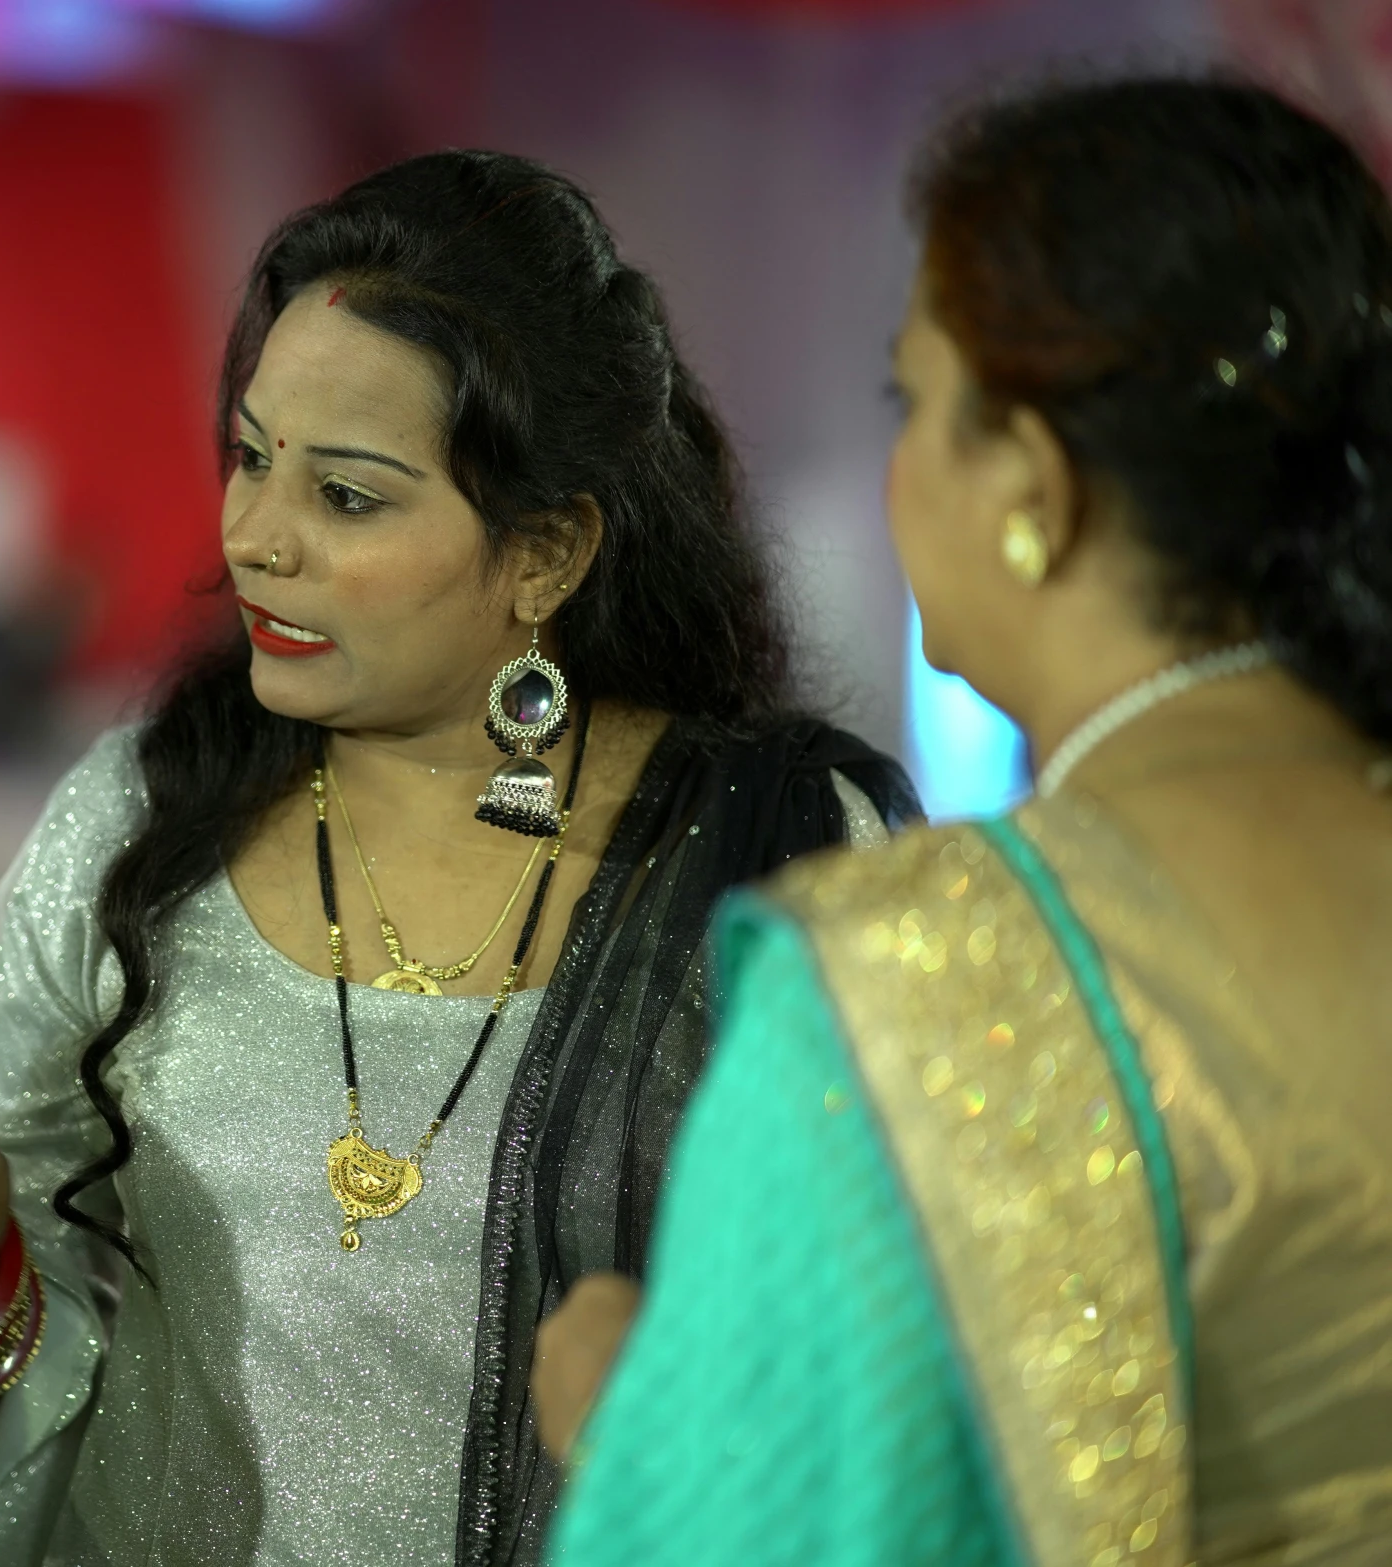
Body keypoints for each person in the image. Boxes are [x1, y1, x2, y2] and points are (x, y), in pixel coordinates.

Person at [0, 149, 917, 1567]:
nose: (254, 538)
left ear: (544, 553)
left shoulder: (771, 867)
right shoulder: (140, 828)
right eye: (249, 459)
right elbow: (47, 1345)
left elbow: (875, 1388)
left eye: (347, 497)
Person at [541, 76, 1392, 1566]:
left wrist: (633, 1430)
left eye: (914, 400)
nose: (900, 462)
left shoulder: (915, 973)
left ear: (1032, 490)